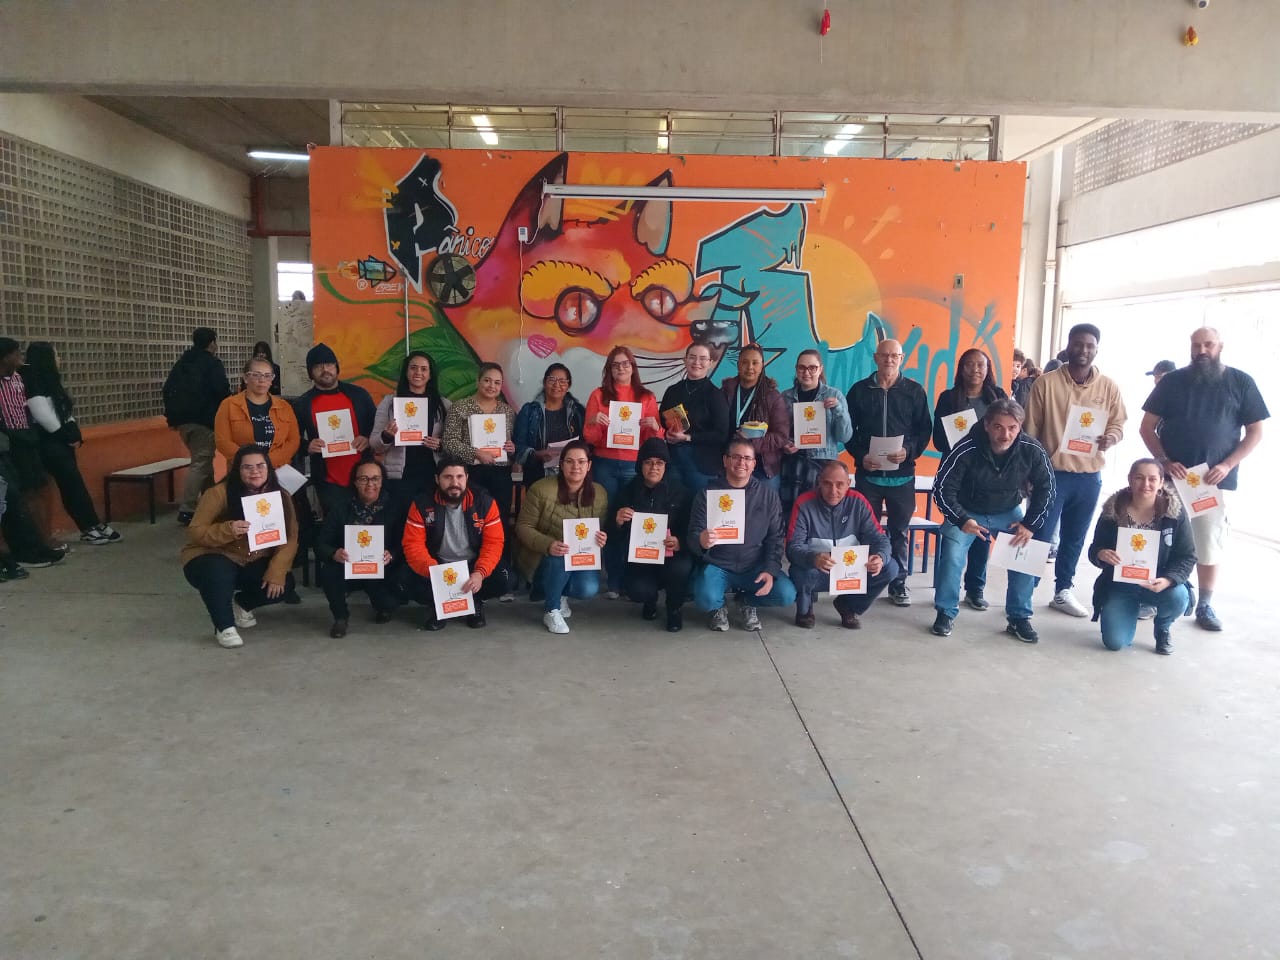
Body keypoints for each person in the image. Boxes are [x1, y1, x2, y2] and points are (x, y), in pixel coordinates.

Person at [1139, 327, 1269, 632]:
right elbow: (1146, 427)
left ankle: (1205, 604)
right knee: (1159, 539)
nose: (1201, 351)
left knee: (1208, 542)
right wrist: (1163, 461)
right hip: (1170, 480)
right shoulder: (1172, 382)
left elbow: (1255, 431)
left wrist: (1228, 465)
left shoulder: (1241, 382)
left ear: (1220, 346)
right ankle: (1151, 597)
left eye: (1208, 344)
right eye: (1196, 345)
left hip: (1211, 482)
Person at [1023, 323, 1127, 619]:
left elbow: (1118, 424)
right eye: (1078, 344)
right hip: (1051, 475)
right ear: (1068, 346)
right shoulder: (1045, 384)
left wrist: (1111, 438)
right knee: (1038, 534)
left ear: (1097, 349)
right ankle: (1024, 592)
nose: (1083, 350)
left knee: (1075, 536)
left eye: (1090, 345)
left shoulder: (1108, 387)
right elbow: (1030, 432)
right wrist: (1029, 473)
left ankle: (1063, 590)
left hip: (1088, 477)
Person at [931, 399, 1056, 641]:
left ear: (1020, 427)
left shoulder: (1032, 449)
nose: (1005, 434)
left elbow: (1047, 488)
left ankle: (1019, 617)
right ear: (987, 425)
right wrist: (961, 519)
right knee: (952, 557)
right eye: (998, 427)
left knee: (1023, 556)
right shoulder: (965, 447)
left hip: (1008, 512)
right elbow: (942, 488)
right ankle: (945, 612)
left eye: (1012, 428)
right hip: (967, 512)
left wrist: (1030, 525)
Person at [180, 445, 299, 648]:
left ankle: (243, 604)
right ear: (237, 470)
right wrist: (228, 529)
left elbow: (290, 538)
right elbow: (195, 532)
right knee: (218, 571)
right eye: (247, 467)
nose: (255, 471)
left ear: (269, 469)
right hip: (213, 554)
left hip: (252, 558)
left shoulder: (281, 496)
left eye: (260, 466)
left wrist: (277, 571)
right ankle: (224, 626)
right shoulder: (218, 493)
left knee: (284, 584)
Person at [844, 338, 932, 607]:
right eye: (884, 355)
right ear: (875, 358)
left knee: (899, 532)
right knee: (864, 531)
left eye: (895, 355)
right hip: (868, 476)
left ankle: (898, 582)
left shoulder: (914, 391)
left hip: (902, 477)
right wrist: (861, 455)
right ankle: (862, 582)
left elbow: (924, 431)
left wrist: (908, 450)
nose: (889, 360)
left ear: (902, 358)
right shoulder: (859, 391)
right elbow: (848, 432)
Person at [1086, 459, 1195, 655]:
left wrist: (1168, 580)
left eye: (1152, 479)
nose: (1146, 484)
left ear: (1161, 482)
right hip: (1120, 585)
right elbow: (1095, 548)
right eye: (1139, 478)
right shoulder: (1112, 511)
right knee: (1114, 642)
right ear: (1130, 480)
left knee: (1178, 596)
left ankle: (1162, 627)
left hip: (1156, 583)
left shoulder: (1175, 514)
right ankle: (1126, 612)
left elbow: (1187, 556)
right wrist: (1101, 553)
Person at [687, 438, 797, 631]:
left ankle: (747, 601)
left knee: (786, 594)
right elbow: (693, 534)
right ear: (725, 460)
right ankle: (718, 607)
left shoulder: (768, 495)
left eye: (747, 458)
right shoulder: (708, 494)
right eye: (736, 457)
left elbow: (776, 538)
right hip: (718, 564)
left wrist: (770, 570)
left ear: (754, 464)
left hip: (754, 566)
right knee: (705, 598)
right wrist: (701, 541)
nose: (741, 463)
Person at [582, 345, 663, 598]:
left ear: (633, 367)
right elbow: (590, 438)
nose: (621, 368)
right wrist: (594, 422)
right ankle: (614, 581)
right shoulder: (598, 395)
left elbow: (654, 441)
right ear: (609, 369)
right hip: (604, 463)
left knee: (632, 520)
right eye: (615, 365)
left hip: (634, 466)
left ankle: (632, 578)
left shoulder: (646, 397)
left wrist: (655, 426)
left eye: (625, 364)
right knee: (609, 520)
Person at [21, 342, 120, 545]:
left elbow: (63, 410)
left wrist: (74, 432)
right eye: (56, 355)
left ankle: (93, 524)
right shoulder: (31, 380)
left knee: (75, 484)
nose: (60, 359)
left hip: (61, 441)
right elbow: (42, 414)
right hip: (49, 443)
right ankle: (88, 526)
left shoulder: (51, 380)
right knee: (71, 484)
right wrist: (65, 436)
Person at [931, 348, 1008, 611]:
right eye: (969, 365)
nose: (975, 370)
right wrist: (958, 441)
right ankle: (947, 596)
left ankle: (975, 589)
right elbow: (938, 440)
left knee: (982, 534)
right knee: (956, 532)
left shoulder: (997, 397)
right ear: (961, 368)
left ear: (988, 369)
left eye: (980, 365)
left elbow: (1008, 437)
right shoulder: (948, 397)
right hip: (956, 473)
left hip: (988, 476)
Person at [786, 460, 897, 629]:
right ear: (819, 482)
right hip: (818, 569)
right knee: (800, 572)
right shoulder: (804, 503)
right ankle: (805, 609)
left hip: (852, 570)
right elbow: (793, 548)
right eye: (827, 484)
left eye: (839, 484)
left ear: (848, 484)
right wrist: (813, 558)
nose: (833, 491)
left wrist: (880, 557)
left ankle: (848, 606)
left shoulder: (858, 502)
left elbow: (879, 538)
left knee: (890, 568)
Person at [403, 457, 510, 631]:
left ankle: (475, 602)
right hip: (436, 564)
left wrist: (480, 573)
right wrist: (435, 573)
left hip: (472, 563)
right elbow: (413, 545)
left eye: (459, 476)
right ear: (437, 479)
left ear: (467, 478)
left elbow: (494, 543)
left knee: (505, 579)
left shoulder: (485, 502)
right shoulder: (421, 503)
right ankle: (438, 604)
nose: (454, 483)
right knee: (404, 580)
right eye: (448, 477)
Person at [515, 440, 609, 634]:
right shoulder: (541, 489)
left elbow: (599, 528)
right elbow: (523, 527)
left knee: (588, 588)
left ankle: (559, 594)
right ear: (561, 464)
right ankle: (551, 609)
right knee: (559, 555)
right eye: (570, 461)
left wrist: (601, 538)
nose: (576, 467)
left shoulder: (599, 493)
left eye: (581, 462)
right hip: (543, 557)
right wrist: (548, 544)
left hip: (580, 558)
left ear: (589, 465)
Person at [315, 456, 403, 638]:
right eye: (363, 479)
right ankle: (340, 617)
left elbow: (404, 544)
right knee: (328, 572)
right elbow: (321, 543)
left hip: (382, 569)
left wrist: (392, 554)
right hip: (348, 566)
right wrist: (334, 553)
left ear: (382, 481)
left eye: (375, 478)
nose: (370, 484)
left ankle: (383, 607)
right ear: (355, 482)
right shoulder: (340, 508)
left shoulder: (394, 508)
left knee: (389, 603)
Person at [613, 438, 692, 632]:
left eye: (659, 463)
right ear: (640, 465)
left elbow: (691, 529)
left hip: (671, 556)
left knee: (681, 568)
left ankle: (674, 608)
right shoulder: (627, 491)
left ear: (666, 466)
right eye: (648, 462)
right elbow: (612, 536)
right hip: (641, 558)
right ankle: (650, 600)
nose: (654, 467)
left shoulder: (681, 492)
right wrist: (618, 522)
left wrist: (680, 542)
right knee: (637, 590)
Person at [293, 342, 377, 516]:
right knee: (335, 526)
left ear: (337, 367)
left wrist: (368, 438)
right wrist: (307, 446)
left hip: (364, 478)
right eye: (318, 366)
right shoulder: (303, 403)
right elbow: (292, 439)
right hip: (328, 481)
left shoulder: (359, 395)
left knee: (367, 526)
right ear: (310, 372)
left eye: (329, 364)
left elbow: (377, 426)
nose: (325, 370)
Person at [371, 351, 451, 518]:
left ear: (430, 375)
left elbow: (454, 444)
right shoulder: (389, 403)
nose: (418, 373)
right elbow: (374, 444)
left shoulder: (443, 405)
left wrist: (441, 445)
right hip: (400, 478)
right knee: (400, 523)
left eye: (424, 369)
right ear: (406, 372)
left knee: (431, 522)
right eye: (413, 368)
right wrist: (387, 436)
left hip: (432, 475)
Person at [163, 327, 230, 525]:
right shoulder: (211, 363)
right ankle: (188, 509)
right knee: (201, 462)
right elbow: (221, 389)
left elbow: (167, 389)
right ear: (212, 343)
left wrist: (173, 418)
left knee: (204, 462)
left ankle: (211, 503)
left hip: (183, 423)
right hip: (204, 421)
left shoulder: (183, 362)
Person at [0, 337, 59, 553]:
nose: (20, 357)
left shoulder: (20, 377)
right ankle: (25, 543)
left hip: (28, 437)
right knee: (18, 493)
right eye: (16, 353)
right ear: (5, 357)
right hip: (9, 441)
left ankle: (42, 538)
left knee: (38, 488)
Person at [779, 348, 853, 517]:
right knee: (792, 514)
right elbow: (779, 432)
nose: (806, 372)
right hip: (793, 464)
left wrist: (838, 410)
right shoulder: (785, 397)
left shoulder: (834, 395)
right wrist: (785, 444)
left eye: (812, 368)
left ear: (820, 369)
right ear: (796, 369)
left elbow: (845, 436)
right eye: (802, 368)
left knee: (820, 515)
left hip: (823, 464)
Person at [442, 362, 518, 523]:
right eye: (487, 380)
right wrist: (475, 453)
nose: (492, 386)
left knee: (500, 519)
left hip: (500, 474)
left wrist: (511, 448)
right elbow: (449, 442)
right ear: (478, 381)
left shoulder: (507, 411)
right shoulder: (460, 407)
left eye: (497, 383)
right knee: (472, 520)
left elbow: (513, 444)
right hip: (470, 473)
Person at [659, 342, 732, 495]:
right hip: (673, 460)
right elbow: (662, 420)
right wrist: (668, 434)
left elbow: (721, 434)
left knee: (699, 506)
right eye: (692, 357)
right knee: (672, 504)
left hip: (702, 465)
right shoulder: (672, 391)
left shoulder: (716, 395)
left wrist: (687, 437)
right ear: (685, 360)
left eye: (703, 358)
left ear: (710, 363)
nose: (697, 362)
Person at [720, 343, 789, 489]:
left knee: (764, 504)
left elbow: (781, 436)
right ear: (738, 365)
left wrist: (752, 443)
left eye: (755, 363)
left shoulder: (772, 396)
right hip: (731, 465)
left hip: (762, 467)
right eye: (745, 362)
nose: (749, 367)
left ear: (762, 365)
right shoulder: (725, 392)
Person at [214, 357, 301, 468]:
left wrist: (268, 462)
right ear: (246, 378)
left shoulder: (284, 407)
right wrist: (251, 462)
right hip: (243, 470)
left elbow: (293, 441)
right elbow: (223, 441)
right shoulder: (228, 405)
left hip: (278, 469)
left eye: (267, 375)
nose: (262, 380)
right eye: (256, 375)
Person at [514, 362, 586, 487]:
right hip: (538, 475)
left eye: (562, 381)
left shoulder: (578, 411)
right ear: (544, 382)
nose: (557, 385)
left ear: (568, 385)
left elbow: (585, 443)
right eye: (552, 380)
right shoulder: (529, 411)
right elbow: (518, 446)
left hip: (570, 475)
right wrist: (536, 454)